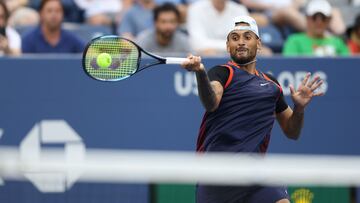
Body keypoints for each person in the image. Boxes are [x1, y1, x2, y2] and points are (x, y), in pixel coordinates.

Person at [180, 15, 324, 203]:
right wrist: (200, 73)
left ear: (259, 43)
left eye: (247, 37)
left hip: (255, 173)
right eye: (235, 38)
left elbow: (292, 131)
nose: (240, 42)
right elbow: (211, 102)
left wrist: (299, 108)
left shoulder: (272, 84)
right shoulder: (222, 72)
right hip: (216, 173)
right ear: (227, 45)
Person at [282, 0, 349, 56]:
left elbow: (349, 65)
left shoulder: (338, 42)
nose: (319, 22)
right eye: (314, 17)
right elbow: (290, 65)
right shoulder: (294, 41)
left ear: (329, 20)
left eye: (323, 18)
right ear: (307, 18)